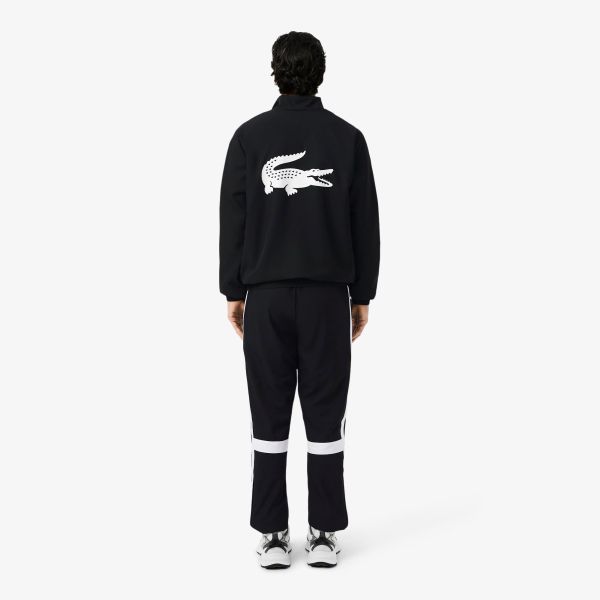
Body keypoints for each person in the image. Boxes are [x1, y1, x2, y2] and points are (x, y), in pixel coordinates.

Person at [219, 31, 380, 569]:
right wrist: (362, 295)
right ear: (321, 73)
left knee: (268, 416)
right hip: (327, 300)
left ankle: (271, 535)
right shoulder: (347, 138)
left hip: (264, 299)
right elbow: (365, 222)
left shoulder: (248, 137)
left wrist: (234, 291)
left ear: (275, 72)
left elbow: (233, 218)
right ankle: (325, 533)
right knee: (325, 417)